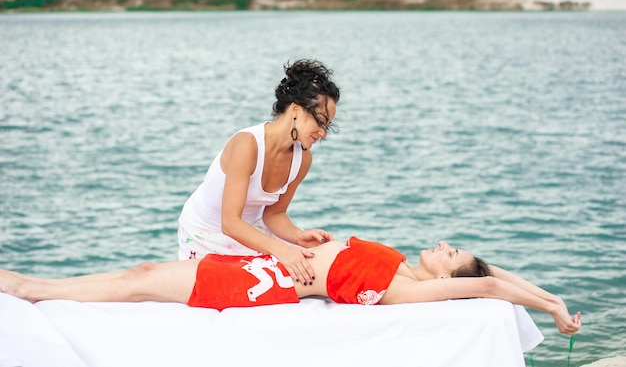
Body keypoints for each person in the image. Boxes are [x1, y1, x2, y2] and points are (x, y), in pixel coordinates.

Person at [0, 237, 581, 335]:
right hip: (268, 263)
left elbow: (489, 288)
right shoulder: (407, 266)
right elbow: (495, 273)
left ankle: (28, 289)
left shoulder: (414, 289)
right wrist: (554, 297)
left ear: (449, 277)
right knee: (142, 274)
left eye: (451, 254)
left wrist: (549, 312)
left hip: (263, 286)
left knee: (142, 281)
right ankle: (31, 284)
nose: (444, 245)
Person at [177, 59, 341, 286]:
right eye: (321, 122)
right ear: (295, 109)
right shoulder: (247, 144)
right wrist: (282, 250)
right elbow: (230, 223)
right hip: (206, 232)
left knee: (318, 262)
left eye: (327, 126)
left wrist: (297, 236)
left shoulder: (302, 159)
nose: (323, 133)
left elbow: (274, 215)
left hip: (252, 231)